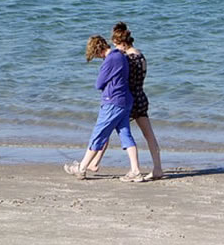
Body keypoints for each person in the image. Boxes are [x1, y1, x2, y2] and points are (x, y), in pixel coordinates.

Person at [87, 22, 164, 180]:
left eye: (116, 45)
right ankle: (157, 168)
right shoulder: (141, 55)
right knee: (149, 135)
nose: (115, 49)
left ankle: (94, 162)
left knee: (107, 130)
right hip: (141, 97)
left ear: (122, 43)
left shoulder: (124, 58)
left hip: (127, 98)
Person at [63, 35, 144, 181]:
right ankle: (136, 171)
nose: (97, 57)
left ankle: (81, 168)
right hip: (125, 101)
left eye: (95, 54)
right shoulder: (121, 56)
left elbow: (98, 83)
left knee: (98, 135)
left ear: (98, 50)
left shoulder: (110, 59)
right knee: (125, 135)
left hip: (112, 101)